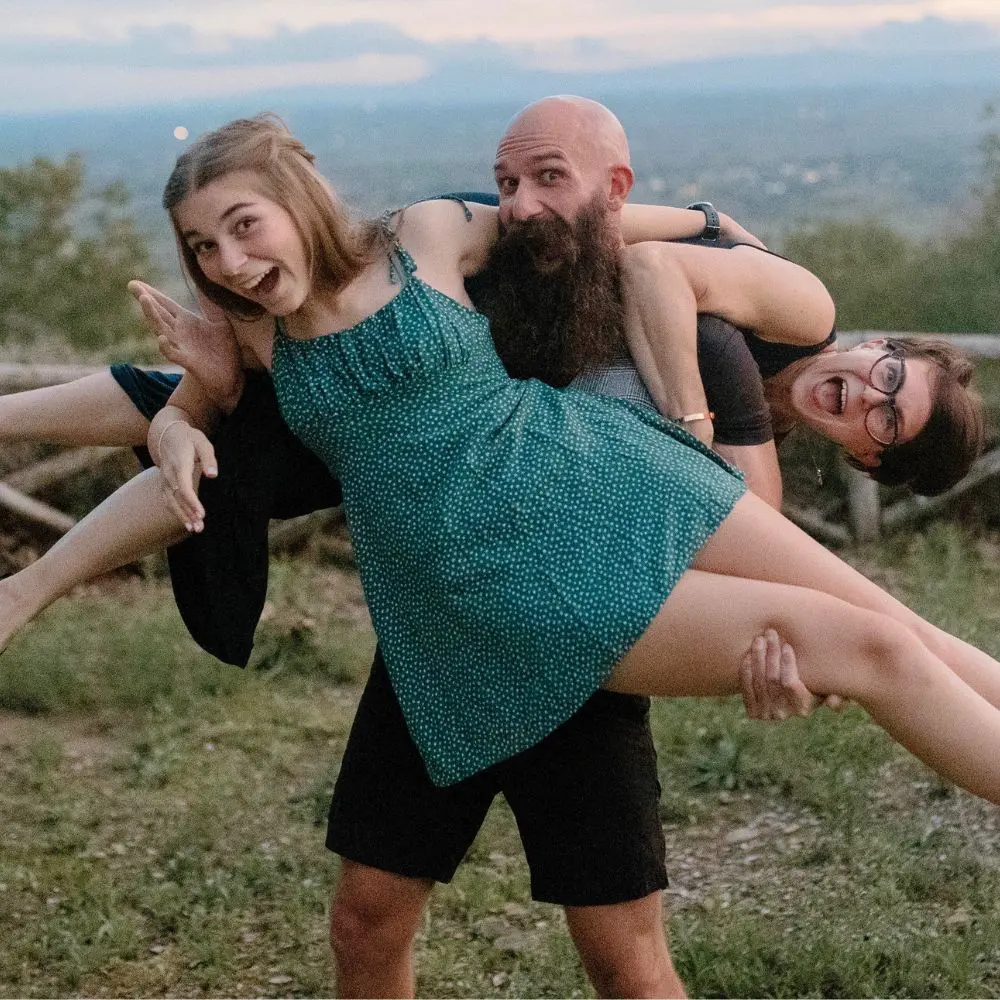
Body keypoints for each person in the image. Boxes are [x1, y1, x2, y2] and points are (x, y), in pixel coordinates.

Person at [0, 100, 988, 999]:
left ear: (298, 198)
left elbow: (577, 230)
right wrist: (180, 415)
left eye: (243, 225)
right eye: (200, 245)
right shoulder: (254, 333)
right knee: (875, 648)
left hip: (617, 472)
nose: (225, 257)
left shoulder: (426, 233)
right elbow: (166, 405)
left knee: (893, 633)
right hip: (511, 582)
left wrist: (695, 219)